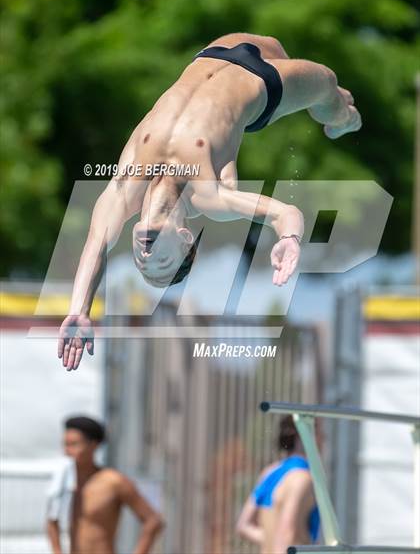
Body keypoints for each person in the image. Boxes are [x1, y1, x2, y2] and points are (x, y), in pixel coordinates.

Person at [58, 32, 361, 370]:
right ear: (186, 238)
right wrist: (289, 238)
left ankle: (338, 107)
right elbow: (283, 212)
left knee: (288, 56)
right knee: (330, 92)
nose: (146, 256)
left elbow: (96, 244)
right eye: (161, 262)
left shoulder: (128, 183)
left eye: (141, 262)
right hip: (265, 84)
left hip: (217, 51)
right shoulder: (211, 197)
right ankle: (344, 122)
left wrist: (78, 311)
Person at [46, 416, 164, 554]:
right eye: (65, 444)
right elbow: (51, 519)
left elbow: (153, 521)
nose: (67, 451)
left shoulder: (113, 481)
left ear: (93, 445)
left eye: (74, 444)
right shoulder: (63, 481)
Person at [236, 415, 321, 553]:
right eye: (319, 433)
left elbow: (243, 526)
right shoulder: (303, 478)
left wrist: (272, 539)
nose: (323, 439)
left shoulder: (269, 473)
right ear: (304, 436)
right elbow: (287, 532)